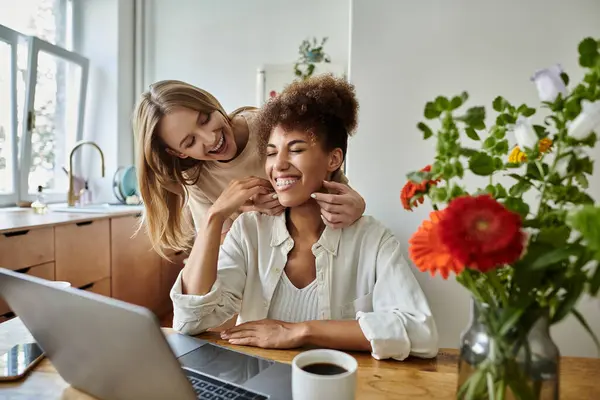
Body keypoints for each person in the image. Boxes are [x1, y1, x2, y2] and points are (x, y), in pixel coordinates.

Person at [170, 74, 438, 361]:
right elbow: (190, 322)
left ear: (333, 160)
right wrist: (215, 217)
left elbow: (421, 334)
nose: (279, 165)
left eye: (296, 150)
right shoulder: (248, 232)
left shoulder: (371, 238)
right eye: (271, 153)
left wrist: (300, 331)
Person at [132, 80, 366, 258]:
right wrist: (244, 212)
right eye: (190, 142)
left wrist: (356, 206)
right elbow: (221, 253)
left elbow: (332, 182)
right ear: (178, 153)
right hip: (260, 264)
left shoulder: (267, 126)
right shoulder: (197, 179)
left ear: (211, 104)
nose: (210, 137)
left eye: (204, 119)